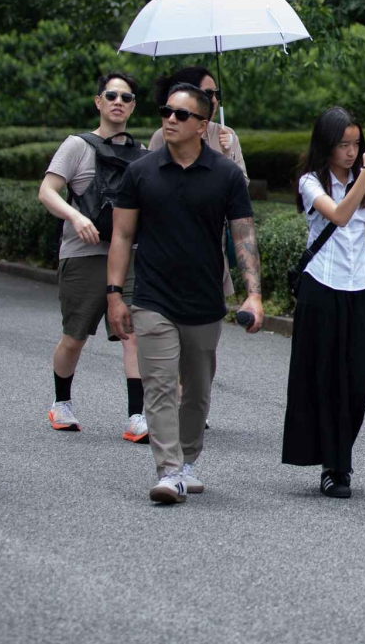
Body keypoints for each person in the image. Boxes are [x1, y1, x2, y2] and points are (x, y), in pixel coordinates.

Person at [105, 83, 263, 505]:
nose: (170, 119)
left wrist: (254, 295)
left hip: (204, 299)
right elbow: (122, 234)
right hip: (153, 296)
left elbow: (243, 234)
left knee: (197, 388)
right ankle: (169, 470)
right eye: (166, 111)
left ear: (203, 124)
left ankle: (188, 459)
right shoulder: (141, 171)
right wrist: (115, 294)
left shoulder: (226, 174)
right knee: (157, 384)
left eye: (181, 114)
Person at [281, 107, 365, 498]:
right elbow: (340, 215)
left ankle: (339, 455)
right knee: (325, 378)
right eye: (343, 145)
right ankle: (335, 466)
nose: (352, 152)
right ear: (326, 146)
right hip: (321, 285)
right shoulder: (310, 182)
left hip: (359, 285)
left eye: (356, 145)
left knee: (359, 380)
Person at [37, 72, 148, 440]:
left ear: (133, 106)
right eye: (112, 95)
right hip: (83, 254)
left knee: (133, 333)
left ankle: (137, 415)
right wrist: (75, 215)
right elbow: (47, 191)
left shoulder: (142, 154)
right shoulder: (76, 146)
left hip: (129, 255)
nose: (119, 101)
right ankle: (61, 403)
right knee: (75, 335)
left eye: (127, 97)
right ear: (98, 101)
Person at [148, 65, 247, 301]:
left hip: (211, 241)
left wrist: (228, 153)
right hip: (168, 240)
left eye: (215, 94)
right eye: (207, 93)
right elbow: (149, 184)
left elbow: (240, 189)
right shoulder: (163, 136)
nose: (212, 100)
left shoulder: (226, 135)